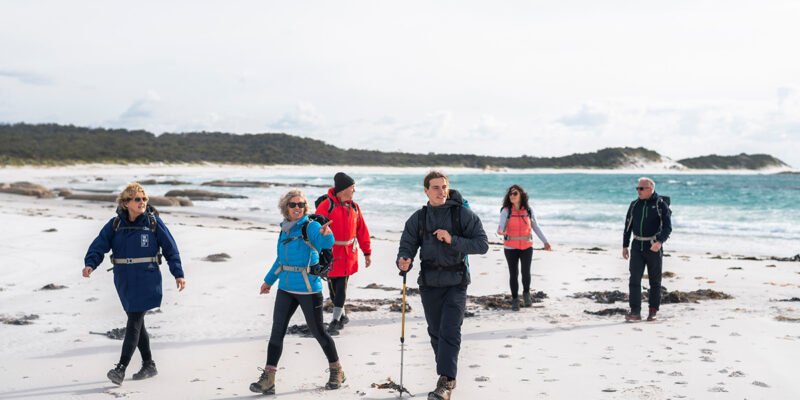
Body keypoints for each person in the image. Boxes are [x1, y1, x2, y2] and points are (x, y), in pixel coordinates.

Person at [396, 171, 489, 400]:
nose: (441, 191)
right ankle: (447, 376)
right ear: (426, 190)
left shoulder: (463, 215)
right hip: (429, 283)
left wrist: (452, 239)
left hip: (456, 282)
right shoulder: (418, 218)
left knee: (450, 330)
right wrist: (403, 260)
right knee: (436, 333)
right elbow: (407, 244)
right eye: (436, 187)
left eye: (444, 187)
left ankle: (446, 381)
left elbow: (482, 244)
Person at [82, 182, 186, 385]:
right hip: (124, 279)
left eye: (144, 199)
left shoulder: (153, 223)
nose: (142, 202)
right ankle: (149, 365)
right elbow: (99, 245)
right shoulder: (115, 224)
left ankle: (120, 368)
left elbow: (171, 249)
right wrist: (90, 264)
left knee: (134, 320)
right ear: (126, 202)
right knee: (137, 322)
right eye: (137, 199)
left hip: (148, 278)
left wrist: (178, 273)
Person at [250, 189, 345, 395]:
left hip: (308, 289)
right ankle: (269, 378)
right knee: (277, 332)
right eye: (293, 204)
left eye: (301, 204)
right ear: (286, 208)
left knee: (319, 332)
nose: (297, 208)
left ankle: (337, 369)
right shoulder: (284, 229)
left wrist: (327, 236)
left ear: (305, 208)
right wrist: (269, 281)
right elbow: (281, 260)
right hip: (285, 288)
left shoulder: (310, 226)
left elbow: (322, 242)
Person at [315, 172, 372, 334]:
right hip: (330, 255)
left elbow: (362, 230)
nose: (354, 191)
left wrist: (367, 252)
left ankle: (335, 321)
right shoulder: (326, 206)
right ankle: (342, 315)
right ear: (343, 189)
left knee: (341, 287)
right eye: (352, 187)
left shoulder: (354, 206)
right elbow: (315, 230)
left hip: (348, 254)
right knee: (333, 288)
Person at [622, 177, 672, 322]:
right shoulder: (634, 205)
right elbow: (627, 227)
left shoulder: (660, 205)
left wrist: (660, 242)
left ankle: (653, 311)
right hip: (637, 246)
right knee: (634, 280)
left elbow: (668, 228)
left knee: (655, 281)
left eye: (641, 188)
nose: (638, 191)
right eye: (637, 188)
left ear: (651, 189)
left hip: (653, 247)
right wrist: (625, 246)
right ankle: (635, 312)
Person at [497, 184, 552, 311]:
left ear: (521, 195)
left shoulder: (529, 210)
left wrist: (545, 241)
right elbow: (500, 227)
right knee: (513, 273)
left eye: (515, 193)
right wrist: (501, 231)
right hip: (510, 247)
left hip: (527, 246)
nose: (512, 196)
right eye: (510, 194)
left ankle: (526, 294)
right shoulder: (505, 211)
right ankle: (515, 299)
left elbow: (536, 227)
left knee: (526, 272)